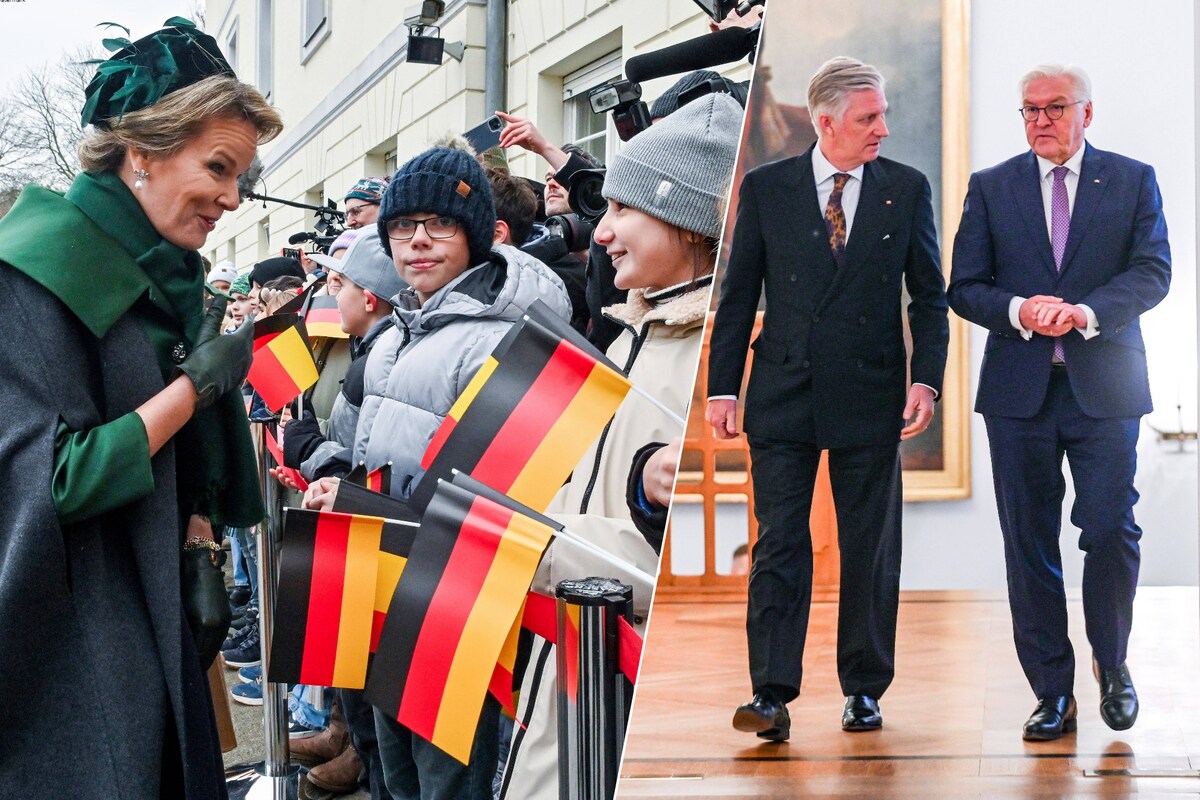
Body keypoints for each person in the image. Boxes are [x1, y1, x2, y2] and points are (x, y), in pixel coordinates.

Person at [0, 18, 281, 797]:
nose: (232, 198)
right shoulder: (30, 273)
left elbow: (183, 459)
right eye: (218, 168)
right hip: (76, 643)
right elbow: (51, 483)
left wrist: (199, 543)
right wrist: (196, 389)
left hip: (159, 609)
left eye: (240, 177)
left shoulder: (167, 274)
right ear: (142, 151)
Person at [303, 146, 570, 800]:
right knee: (395, 778)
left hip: (455, 611)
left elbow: (497, 498)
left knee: (447, 786)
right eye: (403, 225)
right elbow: (373, 451)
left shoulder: (507, 334)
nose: (418, 240)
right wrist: (342, 482)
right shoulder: (397, 332)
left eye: (439, 223)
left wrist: (364, 504)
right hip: (383, 588)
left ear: (475, 231)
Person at [500, 91, 743, 800]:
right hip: (580, 665)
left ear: (688, 220)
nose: (601, 232)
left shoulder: (722, 358)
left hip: (639, 695)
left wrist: (526, 541)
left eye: (622, 208)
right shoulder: (634, 334)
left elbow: (706, 566)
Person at [706, 56, 949, 741]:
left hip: (872, 393)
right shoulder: (766, 188)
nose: (882, 129)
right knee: (780, 542)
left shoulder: (906, 188)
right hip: (782, 390)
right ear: (827, 122)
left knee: (869, 545)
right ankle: (770, 694)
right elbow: (738, 296)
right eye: (869, 117)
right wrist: (722, 388)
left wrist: (926, 379)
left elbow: (930, 298)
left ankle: (864, 690)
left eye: (883, 115)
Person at [947, 63, 1170, 741]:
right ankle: (1051, 692)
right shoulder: (992, 187)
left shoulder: (1132, 180)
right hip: (1019, 395)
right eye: (1029, 109)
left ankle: (1113, 663)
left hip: (1107, 388)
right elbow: (964, 286)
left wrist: (1086, 313)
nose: (1040, 120)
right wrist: (1020, 309)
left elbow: (1153, 271)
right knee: (1028, 542)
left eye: (1054, 107)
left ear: (1086, 113)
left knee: (1110, 528)